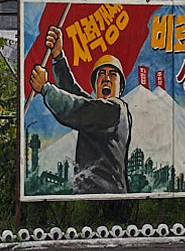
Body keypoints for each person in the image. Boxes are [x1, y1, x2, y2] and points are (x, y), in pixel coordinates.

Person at [28, 25, 131, 194]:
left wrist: (46, 88)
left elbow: (77, 108)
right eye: (101, 74)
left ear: (121, 89)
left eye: (113, 75)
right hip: (92, 194)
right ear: (95, 85)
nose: (106, 78)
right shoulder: (97, 109)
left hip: (106, 195)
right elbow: (74, 94)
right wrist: (58, 56)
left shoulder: (115, 110)